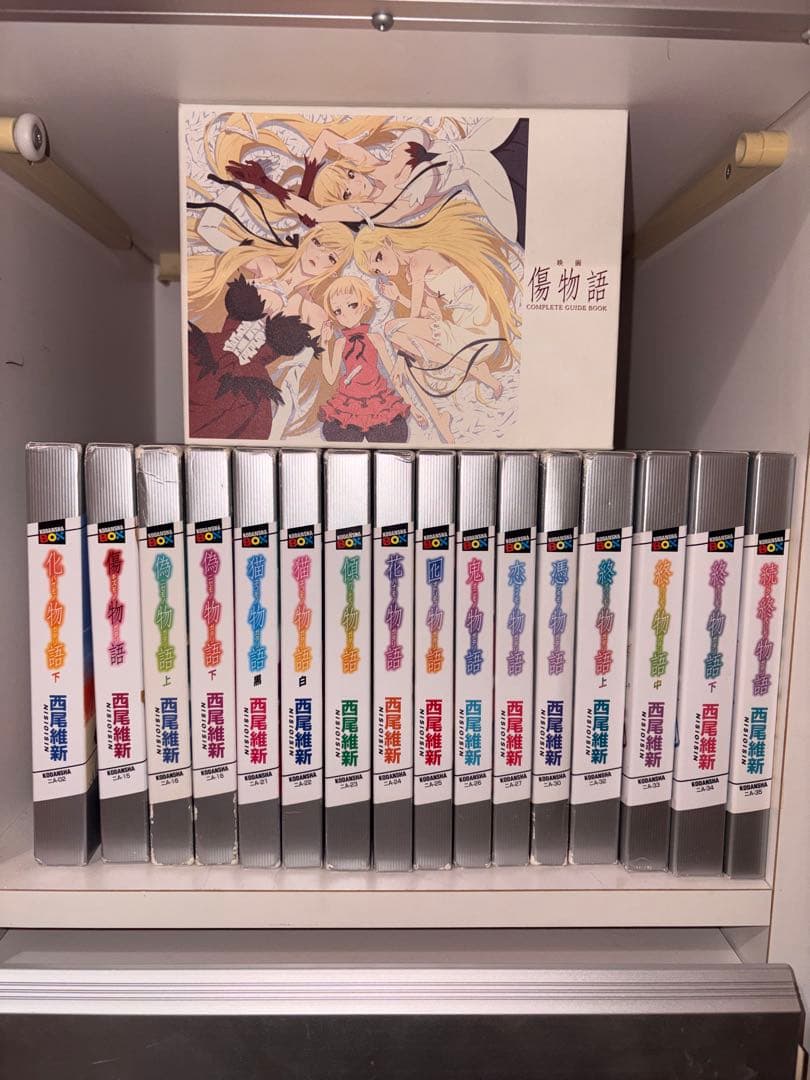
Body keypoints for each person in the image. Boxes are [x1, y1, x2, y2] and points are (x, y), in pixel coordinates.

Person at [352, 200, 521, 442]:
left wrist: (400, 355)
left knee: (392, 330)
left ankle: (473, 373)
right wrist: (399, 303)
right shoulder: (411, 272)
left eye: (379, 257)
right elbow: (432, 317)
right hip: (464, 337)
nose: (383, 270)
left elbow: (413, 315)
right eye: (376, 271)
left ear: (388, 241)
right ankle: (441, 412)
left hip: (480, 332)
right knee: (401, 339)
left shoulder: (419, 260)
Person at [187, 275, 321, 440]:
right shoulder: (196, 344)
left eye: (272, 318)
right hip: (206, 352)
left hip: (249, 386)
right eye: (258, 309)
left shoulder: (255, 398)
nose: (262, 320)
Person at [318, 276, 411, 443]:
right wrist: (324, 343)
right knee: (338, 436)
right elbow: (330, 378)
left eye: (351, 305)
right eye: (338, 311)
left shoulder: (375, 338)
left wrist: (413, 406)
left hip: (378, 401)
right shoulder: (340, 343)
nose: (345, 314)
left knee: (394, 435)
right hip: (348, 403)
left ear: (365, 305)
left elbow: (393, 375)